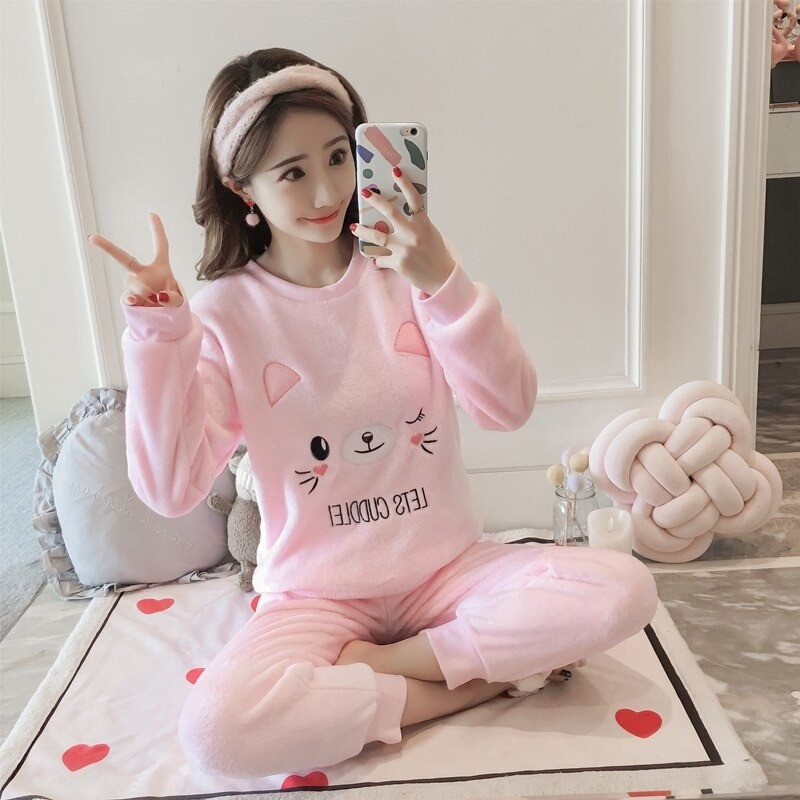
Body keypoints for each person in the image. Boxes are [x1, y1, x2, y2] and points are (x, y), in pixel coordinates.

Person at [87, 47, 659, 780]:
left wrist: (444, 281)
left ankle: (391, 667)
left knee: (624, 588)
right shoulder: (226, 314)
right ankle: (470, 684)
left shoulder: (408, 268)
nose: (328, 190)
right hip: (316, 596)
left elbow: (507, 408)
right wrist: (160, 336)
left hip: (447, 569)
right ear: (241, 188)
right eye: (292, 172)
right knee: (217, 734)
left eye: (338, 157)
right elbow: (171, 489)